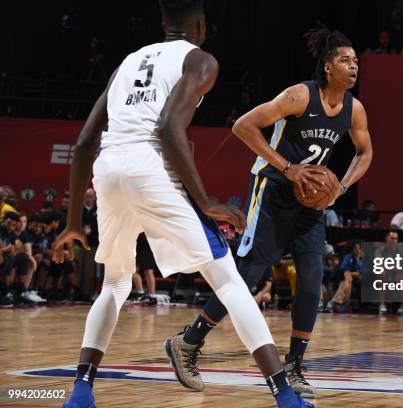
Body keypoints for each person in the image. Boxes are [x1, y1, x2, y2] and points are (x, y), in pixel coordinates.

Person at [51, 1, 310, 407]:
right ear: (201, 24)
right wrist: (206, 203)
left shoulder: (128, 62)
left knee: (116, 282)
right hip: (150, 167)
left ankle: (81, 390)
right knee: (227, 281)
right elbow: (169, 126)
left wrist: (72, 223)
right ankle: (285, 396)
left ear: (163, 23)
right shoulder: (201, 60)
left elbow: (84, 142)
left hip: (109, 167)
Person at [168, 27, 373, 398]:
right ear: (328, 67)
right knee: (247, 277)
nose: (354, 66)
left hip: (310, 203)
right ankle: (189, 342)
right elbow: (243, 125)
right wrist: (287, 167)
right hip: (274, 190)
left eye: (356, 60)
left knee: (312, 278)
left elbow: (365, 153)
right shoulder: (299, 95)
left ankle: (294, 366)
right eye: (346, 60)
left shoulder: (354, 109)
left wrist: (340, 187)